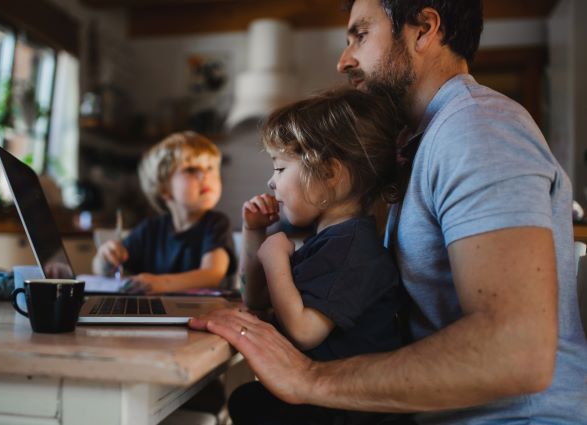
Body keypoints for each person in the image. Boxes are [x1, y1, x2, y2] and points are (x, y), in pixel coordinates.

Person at [189, 0, 587, 423]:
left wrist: (310, 379)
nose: (344, 60)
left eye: (360, 35)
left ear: (424, 29)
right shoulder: (422, 142)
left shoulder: (476, 129)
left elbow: (517, 351)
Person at [230, 88, 411, 425]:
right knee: (247, 400)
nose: (271, 182)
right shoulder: (328, 241)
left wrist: (275, 259)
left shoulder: (353, 249)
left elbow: (303, 330)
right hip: (326, 404)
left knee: (250, 403)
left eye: (281, 168)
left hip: (349, 413)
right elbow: (253, 297)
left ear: (329, 173)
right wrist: (254, 233)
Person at [92, 131, 236, 293]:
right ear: (164, 189)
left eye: (210, 167)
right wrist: (105, 259)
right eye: (191, 169)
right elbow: (102, 270)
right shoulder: (150, 229)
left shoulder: (216, 224)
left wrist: (161, 283)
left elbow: (211, 275)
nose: (205, 175)